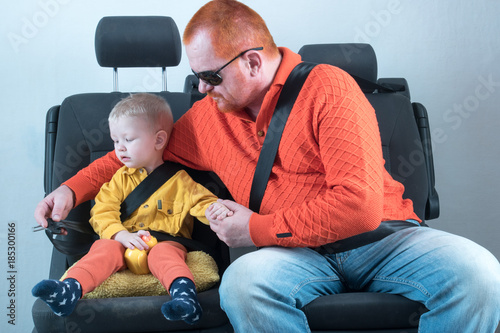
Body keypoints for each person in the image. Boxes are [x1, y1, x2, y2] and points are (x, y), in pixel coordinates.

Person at [35, 1, 500, 332]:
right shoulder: (207, 118)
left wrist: (255, 230)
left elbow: (358, 208)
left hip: (381, 240)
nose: (198, 89)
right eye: (196, 76)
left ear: (253, 62)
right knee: (244, 284)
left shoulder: (329, 90)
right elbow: (135, 156)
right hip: (295, 257)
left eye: (209, 77)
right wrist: (70, 192)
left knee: (481, 275)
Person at [32, 93, 231, 324]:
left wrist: (214, 210)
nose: (119, 149)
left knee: (165, 255)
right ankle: (70, 289)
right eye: (116, 141)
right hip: (123, 241)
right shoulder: (118, 180)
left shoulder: (180, 181)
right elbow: (102, 211)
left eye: (128, 139)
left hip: (165, 242)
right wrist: (120, 235)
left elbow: (201, 201)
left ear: (158, 140)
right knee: (103, 250)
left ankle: (185, 298)